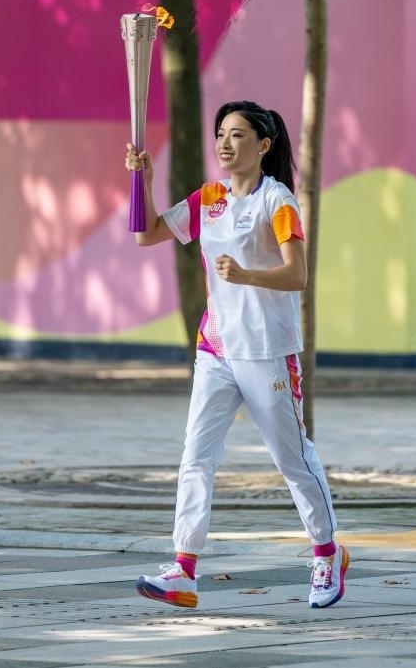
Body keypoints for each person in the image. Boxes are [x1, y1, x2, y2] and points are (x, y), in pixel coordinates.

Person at [124, 100, 348, 609]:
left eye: (238, 134)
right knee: (196, 456)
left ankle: (327, 554)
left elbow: (298, 274)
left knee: (292, 460)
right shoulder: (209, 198)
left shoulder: (278, 200)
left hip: (267, 352)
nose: (225, 143)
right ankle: (184, 570)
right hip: (217, 349)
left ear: (263, 145)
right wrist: (142, 180)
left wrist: (245, 275)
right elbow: (146, 234)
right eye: (221, 133)